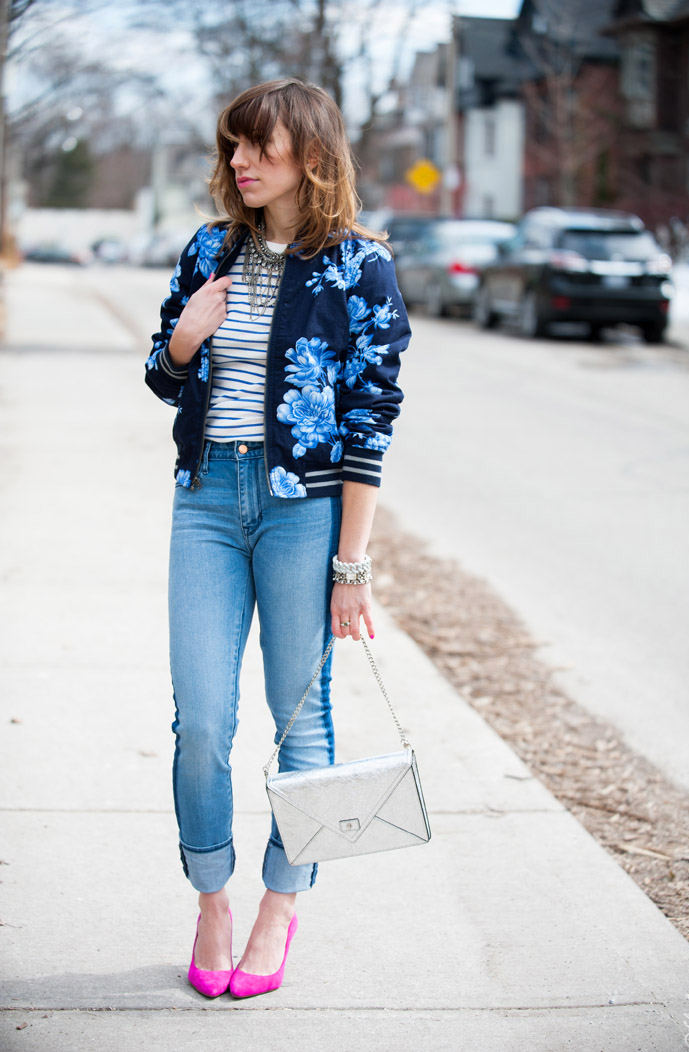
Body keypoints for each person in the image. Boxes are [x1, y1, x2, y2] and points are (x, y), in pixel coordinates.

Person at [144, 77, 410, 1000]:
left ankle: (280, 904)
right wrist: (183, 343)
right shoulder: (208, 250)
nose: (240, 162)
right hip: (208, 501)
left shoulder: (359, 268)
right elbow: (162, 373)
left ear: (310, 153)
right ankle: (212, 898)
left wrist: (352, 565)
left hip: (306, 513)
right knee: (203, 721)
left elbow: (373, 422)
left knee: (306, 720)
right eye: (232, 147)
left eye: (258, 146)